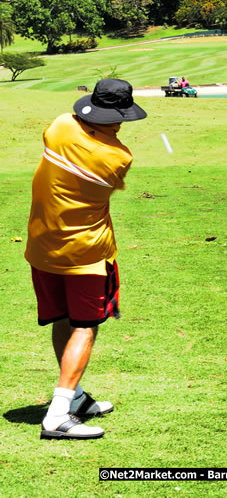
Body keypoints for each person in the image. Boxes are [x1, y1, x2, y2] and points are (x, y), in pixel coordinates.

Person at [25, 79, 147, 440]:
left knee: (64, 318)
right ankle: (58, 414)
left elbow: (59, 134)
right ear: (121, 116)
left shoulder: (61, 124)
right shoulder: (119, 156)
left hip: (42, 246)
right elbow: (114, 180)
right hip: (87, 254)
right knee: (85, 326)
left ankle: (75, 396)